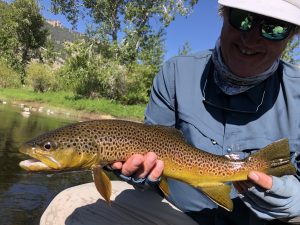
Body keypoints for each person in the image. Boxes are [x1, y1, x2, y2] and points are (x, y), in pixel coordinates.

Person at [40, 0, 300, 224]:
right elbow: (150, 174)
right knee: (68, 206)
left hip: (269, 222)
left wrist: (295, 205)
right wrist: (141, 176)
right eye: (243, 19)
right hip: (178, 216)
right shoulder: (176, 74)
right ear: (224, 16)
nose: (251, 37)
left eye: (274, 28)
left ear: (291, 35)